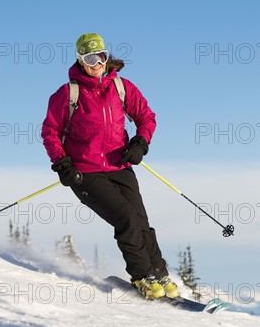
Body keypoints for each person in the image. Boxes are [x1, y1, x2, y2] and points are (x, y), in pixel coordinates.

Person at [41, 33, 179, 300]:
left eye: (101, 56)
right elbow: (50, 132)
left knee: (141, 220)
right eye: (90, 58)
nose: (97, 64)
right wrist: (62, 164)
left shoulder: (121, 87)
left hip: (120, 166)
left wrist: (140, 142)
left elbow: (147, 117)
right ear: (80, 61)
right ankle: (143, 277)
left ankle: (159, 274)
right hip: (85, 173)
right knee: (125, 218)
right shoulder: (68, 93)